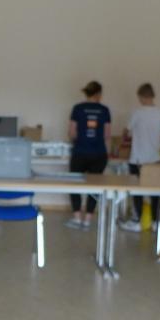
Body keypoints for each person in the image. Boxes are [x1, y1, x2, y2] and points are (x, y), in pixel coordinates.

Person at [119, 83, 160, 232]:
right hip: (155, 158)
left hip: (138, 159)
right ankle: (155, 222)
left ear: (141, 96)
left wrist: (128, 136)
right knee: (155, 193)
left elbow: (126, 132)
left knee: (137, 191)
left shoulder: (137, 113)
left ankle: (137, 221)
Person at [66, 81, 112, 230]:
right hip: (99, 154)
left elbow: (71, 132)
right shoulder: (104, 110)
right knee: (95, 186)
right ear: (98, 94)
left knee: (74, 184)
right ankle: (87, 219)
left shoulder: (77, 108)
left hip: (80, 152)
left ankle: (77, 217)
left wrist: (80, 140)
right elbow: (107, 135)